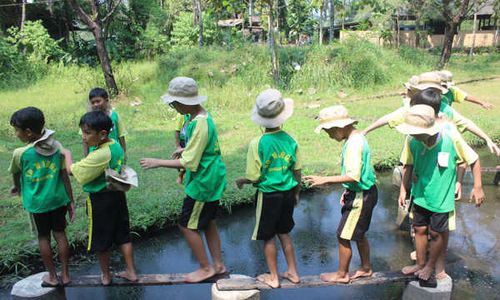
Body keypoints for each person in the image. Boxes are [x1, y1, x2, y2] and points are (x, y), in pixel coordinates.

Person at [140, 77, 227, 283]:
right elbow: (199, 147)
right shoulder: (197, 116)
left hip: (203, 182)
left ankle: (206, 268)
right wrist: (184, 148)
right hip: (210, 176)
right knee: (208, 222)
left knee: (186, 225)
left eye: (174, 103)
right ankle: (218, 264)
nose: (173, 107)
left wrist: (157, 162)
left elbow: (189, 162)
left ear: (184, 102)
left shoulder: (200, 123)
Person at [396, 101, 485, 283]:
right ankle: (420, 264)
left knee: (437, 234)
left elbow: (473, 160)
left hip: (442, 198)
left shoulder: (450, 139)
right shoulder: (413, 141)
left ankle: (430, 266)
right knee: (419, 229)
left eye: (416, 132)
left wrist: (477, 187)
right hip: (420, 195)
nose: (412, 135)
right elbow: (409, 165)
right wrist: (403, 189)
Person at [304, 105, 378, 283]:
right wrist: (347, 189)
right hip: (363, 191)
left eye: (329, 132)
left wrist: (325, 179)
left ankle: (342, 274)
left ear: (339, 127)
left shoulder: (353, 144)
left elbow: (354, 175)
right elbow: (361, 170)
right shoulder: (357, 137)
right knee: (358, 233)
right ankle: (366, 268)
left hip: (361, 195)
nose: (329, 136)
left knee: (342, 234)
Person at [235, 89, 301, 288]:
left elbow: (254, 176)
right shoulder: (291, 139)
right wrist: (296, 193)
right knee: (284, 233)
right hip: (288, 193)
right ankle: (293, 271)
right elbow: (297, 171)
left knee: (267, 237)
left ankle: (273, 277)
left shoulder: (258, 143)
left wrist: (241, 180)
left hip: (268, 196)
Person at [64, 111, 137, 285]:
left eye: (87, 133)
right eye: (83, 132)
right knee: (123, 235)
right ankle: (131, 272)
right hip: (117, 195)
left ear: (103, 134)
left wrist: (66, 154)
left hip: (100, 201)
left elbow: (72, 170)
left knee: (100, 239)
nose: (83, 137)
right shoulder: (115, 146)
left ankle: (106, 275)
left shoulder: (100, 154)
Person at [8, 107, 75, 286]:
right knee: (60, 235)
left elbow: (16, 174)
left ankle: (53, 277)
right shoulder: (57, 146)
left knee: (43, 237)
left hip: (38, 204)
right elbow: (64, 176)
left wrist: (16, 186)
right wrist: (71, 201)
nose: (16, 134)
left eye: (17, 130)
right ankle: (66, 275)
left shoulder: (20, 154)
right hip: (58, 200)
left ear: (28, 132)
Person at [362, 72, 500, 156]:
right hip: (415, 153)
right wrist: (366, 130)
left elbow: (465, 122)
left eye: (437, 90)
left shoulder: (444, 108)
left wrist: (487, 139)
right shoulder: (413, 107)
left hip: (437, 153)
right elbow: (388, 118)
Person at [82, 88, 127, 157]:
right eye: (93, 102)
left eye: (98, 101)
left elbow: (121, 135)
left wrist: (123, 153)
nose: (95, 104)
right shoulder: (88, 119)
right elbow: (84, 139)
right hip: (95, 154)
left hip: (113, 153)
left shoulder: (114, 116)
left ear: (106, 100)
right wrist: (85, 156)